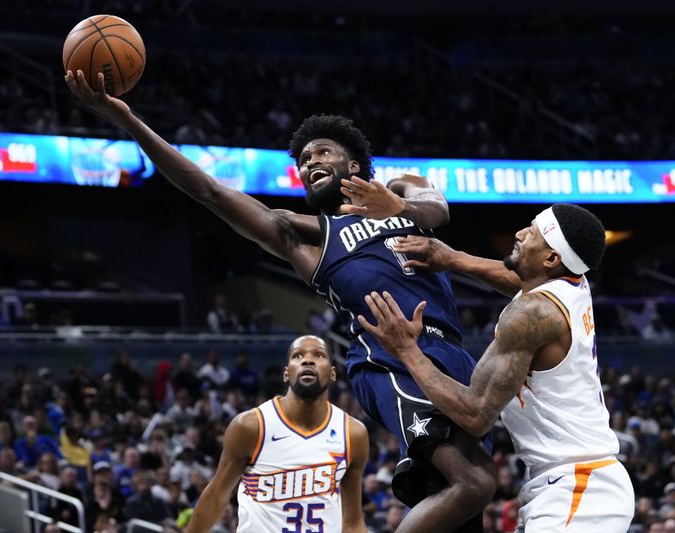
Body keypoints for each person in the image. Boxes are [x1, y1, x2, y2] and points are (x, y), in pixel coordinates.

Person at [66, 70, 495, 531]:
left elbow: (439, 208)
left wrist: (400, 209)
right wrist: (126, 120)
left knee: (463, 512)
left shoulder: (398, 189)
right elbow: (208, 191)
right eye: (304, 159)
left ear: (354, 165)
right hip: (391, 358)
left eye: (322, 151)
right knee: (473, 482)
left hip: (451, 352)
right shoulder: (304, 236)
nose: (310, 161)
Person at [358, 203, 635, 531]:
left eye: (531, 233)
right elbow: (518, 280)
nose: (519, 233)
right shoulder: (571, 281)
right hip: (570, 482)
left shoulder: (532, 314)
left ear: (551, 259)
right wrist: (453, 258)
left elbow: (475, 415)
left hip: (578, 487)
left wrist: (407, 350)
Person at [182, 335, 367, 532]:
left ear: (332, 373)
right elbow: (216, 497)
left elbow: (352, 521)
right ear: (286, 374)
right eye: (297, 356)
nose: (307, 360)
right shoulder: (251, 426)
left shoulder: (352, 433)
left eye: (319, 355)